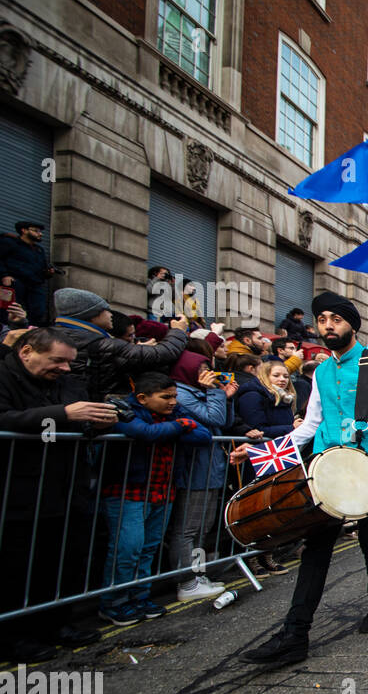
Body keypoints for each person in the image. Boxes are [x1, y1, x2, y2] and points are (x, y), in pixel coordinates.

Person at [234, 291, 368, 666]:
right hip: (328, 467)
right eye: (322, 320)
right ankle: (295, 634)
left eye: (335, 320)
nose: (328, 326)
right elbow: (312, 424)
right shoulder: (320, 371)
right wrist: (259, 450)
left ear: (352, 324)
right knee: (316, 546)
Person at [0, 327, 117, 662]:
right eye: (58, 361)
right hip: (18, 492)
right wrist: (64, 414)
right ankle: (13, 638)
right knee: (17, 568)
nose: (66, 368)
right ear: (26, 352)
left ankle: (56, 625)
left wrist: (97, 422)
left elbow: (79, 422)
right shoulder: (4, 377)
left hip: (65, 488)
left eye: (69, 362)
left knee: (61, 562)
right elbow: (7, 419)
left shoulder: (66, 382)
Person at [98, 371, 213, 625]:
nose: (173, 402)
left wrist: (174, 426)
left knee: (149, 548)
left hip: (163, 490)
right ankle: (114, 602)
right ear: (142, 398)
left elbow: (204, 436)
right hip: (128, 491)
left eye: (174, 396)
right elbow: (143, 433)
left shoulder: (174, 413)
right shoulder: (123, 410)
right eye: (166, 397)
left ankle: (139, 596)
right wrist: (182, 426)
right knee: (128, 548)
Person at [167, 340, 236, 601]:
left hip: (211, 468)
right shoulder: (181, 394)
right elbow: (214, 420)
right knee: (188, 528)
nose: (208, 374)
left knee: (202, 528)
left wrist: (225, 397)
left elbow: (224, 422)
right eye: (201, 369)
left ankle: (198, 575)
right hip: (194, 469)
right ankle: (187, 581)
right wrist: (216, 393)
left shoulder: (201, 391)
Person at [53, 288, 189, 400]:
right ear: (92, 315)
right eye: (106, 310)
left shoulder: (50, 335)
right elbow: (162, 354)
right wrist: (178, 331)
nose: (111, 315)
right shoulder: (105, 345)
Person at [0, 221, 55, 326]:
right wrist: (4, 275)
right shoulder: (10, 243)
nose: (40, 234)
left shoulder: (39, 250)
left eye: (41, 231)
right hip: (14, 283)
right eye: (36, 231)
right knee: (9, 310)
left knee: (38, 311)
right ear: (24, 230)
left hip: (34, 285)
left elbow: (42, 269)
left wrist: (48, 273)